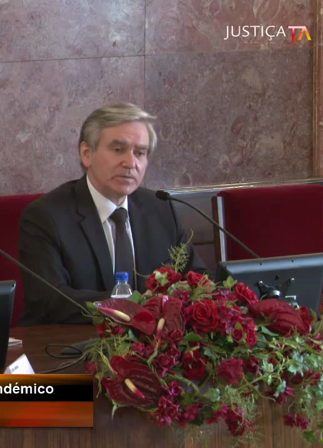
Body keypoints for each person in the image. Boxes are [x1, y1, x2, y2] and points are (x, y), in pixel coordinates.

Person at [19, 103, 206, 325]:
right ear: (87, 154)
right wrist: (134, 306)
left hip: (154, 341)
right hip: (72, 340)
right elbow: (49, 300)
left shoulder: (160, 209)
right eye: (118, 150)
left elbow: (198, 279)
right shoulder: (46, 216)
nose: (130, 163)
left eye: (140, 153)